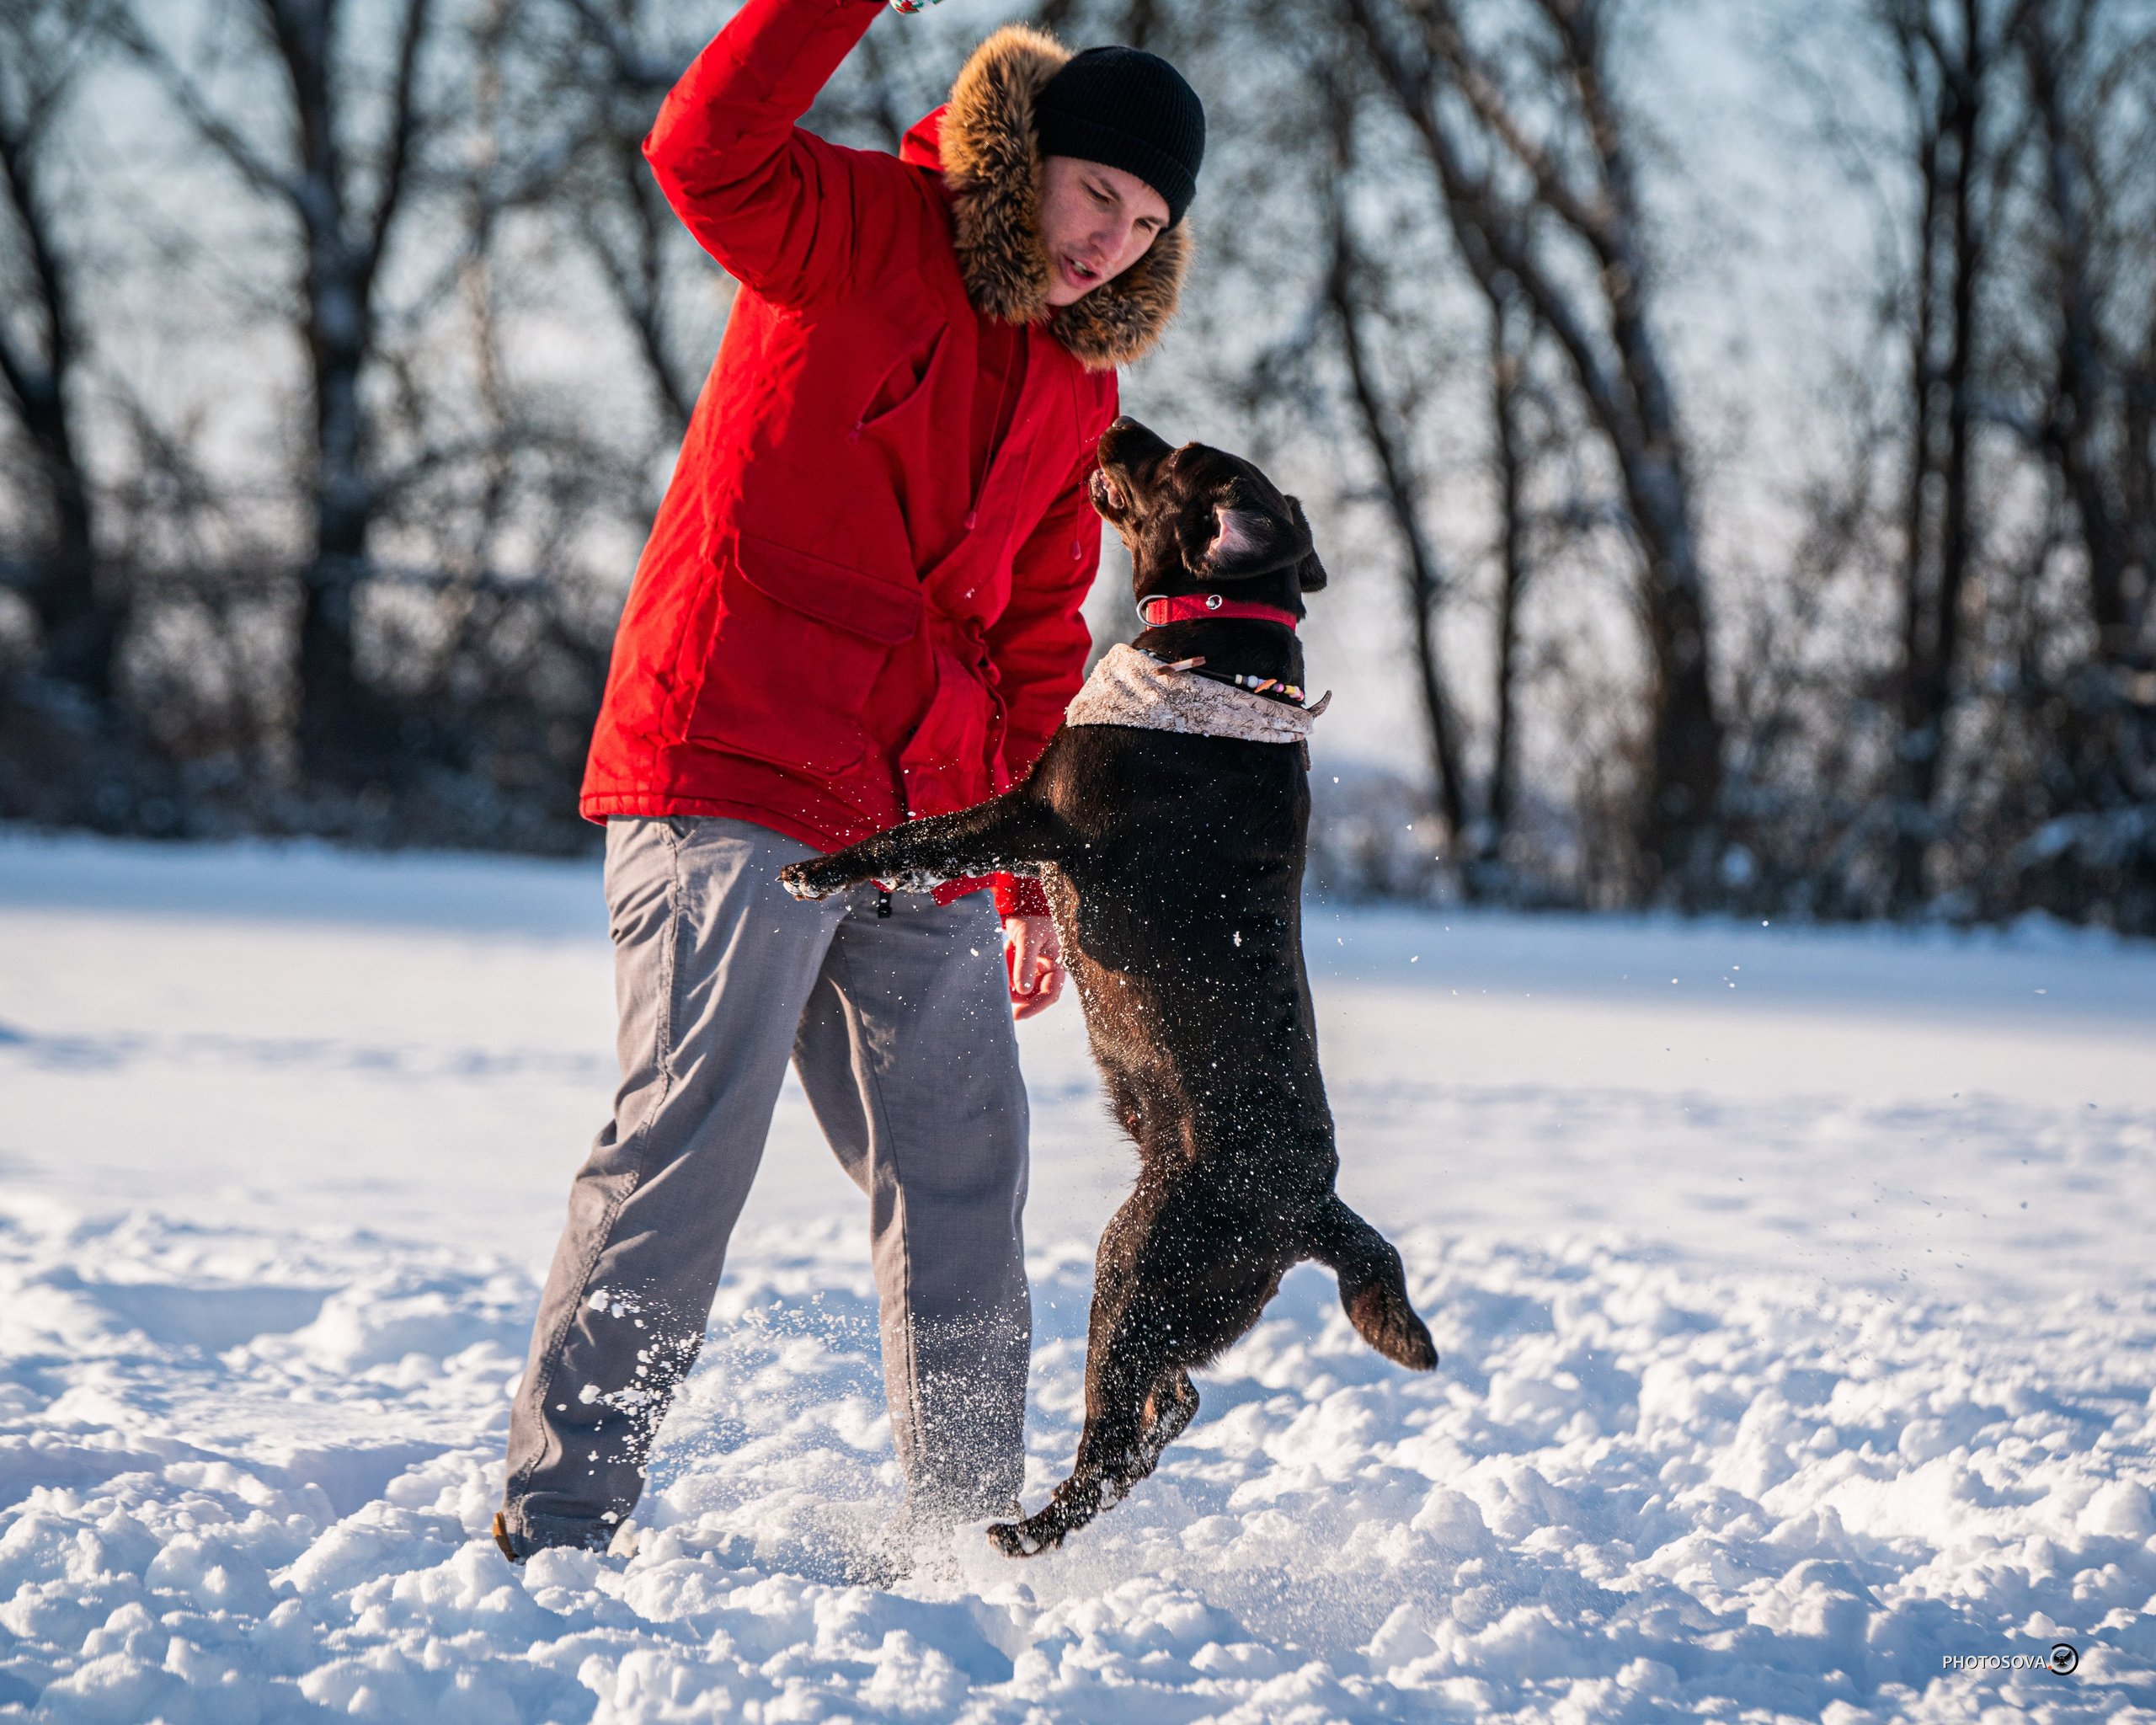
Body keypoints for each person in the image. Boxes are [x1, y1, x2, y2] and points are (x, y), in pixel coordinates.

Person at [493, 0, 1206, 1562]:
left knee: (966, 1174)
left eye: (1147, 224)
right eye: (1099, 193)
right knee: (690, 1140)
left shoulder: (1075, 386)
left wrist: (1027, 867)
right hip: (732, 759)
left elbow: (1031, 624)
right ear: (1032, 159)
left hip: (922, 816)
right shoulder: (862, 228)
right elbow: (700, 147)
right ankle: (559, 1525)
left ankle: (962, 1535)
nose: (1110, 241)